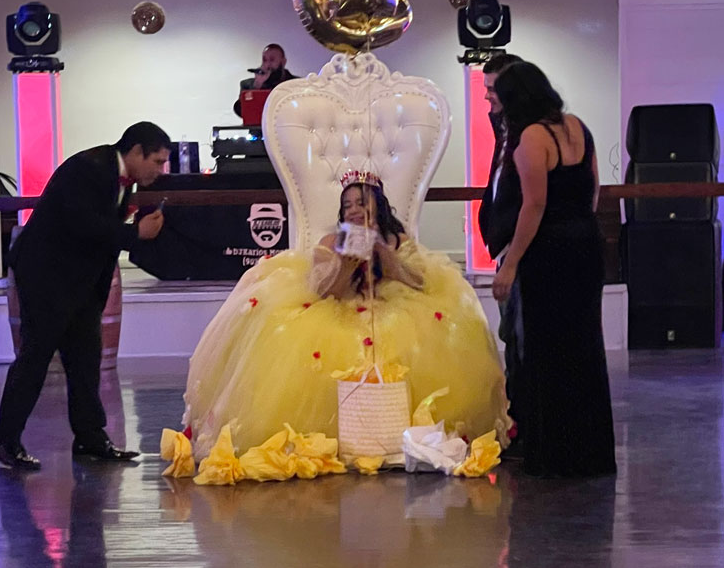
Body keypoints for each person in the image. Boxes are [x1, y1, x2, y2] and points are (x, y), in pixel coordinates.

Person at [182, 171, 510, 461]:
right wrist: (345, 265)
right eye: (347, 205)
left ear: (377, 207)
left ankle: (396, 432)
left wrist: (385, 255)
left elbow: (420, 282)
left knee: (415, 341)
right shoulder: (330, 241)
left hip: (391, 305)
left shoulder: (397, 239)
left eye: (360, 203)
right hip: (339, 308)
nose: (353, 210)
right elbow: (324, 292)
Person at [0, 122, 172, 471]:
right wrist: (136, 235)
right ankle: (5, 439)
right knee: (35, 357)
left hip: (78, 283)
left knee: (85, 357)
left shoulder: (118, 178)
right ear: (136, 152)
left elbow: (97, 235)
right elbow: (84, 225)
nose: (161, 171)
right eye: (158, 161)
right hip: (46, 277)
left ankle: (90, 437)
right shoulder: (90, 167)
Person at [491, 62, 616, 478]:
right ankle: (591, 452)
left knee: (547, 353)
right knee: (585, 348)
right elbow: (593, 189)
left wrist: (509, 265)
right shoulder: (577, 126)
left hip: (549, 253)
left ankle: (555, 456)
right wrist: (579, 227)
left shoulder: (531, 137)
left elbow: (535, 205)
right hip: (585, 245)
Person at [477, 52, 524, 443]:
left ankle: (525, 424)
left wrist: (512, 258)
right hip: (504, 247)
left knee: (521, 338)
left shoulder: (530, 135)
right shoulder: (504, 127)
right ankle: (518, 421)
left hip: (520, 252)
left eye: (493, 89)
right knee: (511, 336)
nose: (487, 99)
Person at [233, 43, 298, 118]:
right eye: (264, 60)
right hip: (260, 129)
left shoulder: (296, 83)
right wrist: (257, 85)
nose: (267, 64)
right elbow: (241, 112)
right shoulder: (247, 84)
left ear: (283, 62)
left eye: (272, 60)